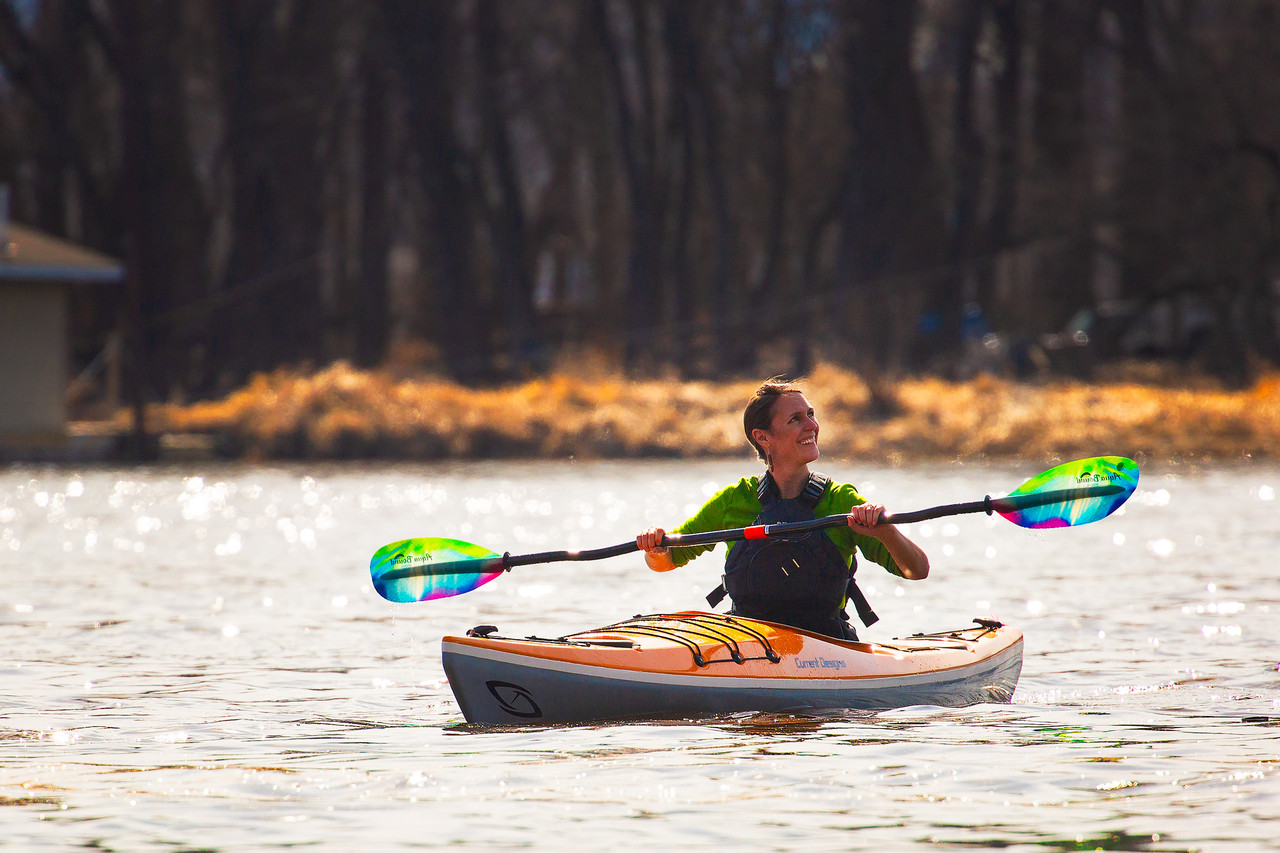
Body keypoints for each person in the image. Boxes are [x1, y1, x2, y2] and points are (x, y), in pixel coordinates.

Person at [636, 378, 929, 640]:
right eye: (795, 420)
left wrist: (886, 531)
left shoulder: (839, 501)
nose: (812, 426)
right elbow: (666, 561)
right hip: (748, 642)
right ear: (763, 437)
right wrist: (656, 548)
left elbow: (916, 570)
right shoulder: (735, 500)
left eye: (811, 415)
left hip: (827, 647)